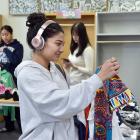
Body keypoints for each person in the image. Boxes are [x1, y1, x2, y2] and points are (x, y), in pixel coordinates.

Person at [14, 12, 120, 140]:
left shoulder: (56, 69)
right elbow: (62, 103)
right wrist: (98, 78)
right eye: (58, 43)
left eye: (63, 44)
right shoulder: (28, 74)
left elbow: (71, 98)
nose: (62, 49)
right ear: (38, 42)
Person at [62, 22, 95, 140]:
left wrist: (74, 66)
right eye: (73, 35)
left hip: (82, 87)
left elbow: (91, 71)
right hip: (72, 86)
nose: (74, 38)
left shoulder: (88, 50)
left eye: (77, 35)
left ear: (82, 34)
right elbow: (72, 68)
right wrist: (66, 66)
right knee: (74, 119)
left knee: (82, 119)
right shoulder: (74, 48)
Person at [0, 25, 23, 132]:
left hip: (13, 78)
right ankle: (9, 126)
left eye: (6, 34)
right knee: (4, 102)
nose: (4, 37)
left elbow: (16, 61)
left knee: (16, 102)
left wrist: (6, 50)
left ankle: (22, 128)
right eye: (2, 34)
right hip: (2, 78)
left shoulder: (18, 46)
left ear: (11, 33)